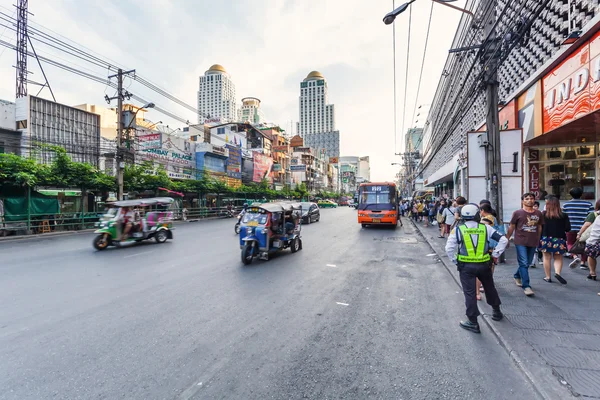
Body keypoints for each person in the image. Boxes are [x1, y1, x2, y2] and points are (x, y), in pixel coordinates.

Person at [445, 203, 508, 333]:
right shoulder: (486, 228)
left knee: (470, 293)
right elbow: (504, 240)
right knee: (490, 288)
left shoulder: (458, 230)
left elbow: (449, 248)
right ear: (477, 215)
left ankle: (473, 322)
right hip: (484, 265)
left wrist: (455, 260)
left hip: (466, 267)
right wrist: (495, 254)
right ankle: (496, 312)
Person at [506, 193, 544, 296]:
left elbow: (539, 227)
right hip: (520, 241)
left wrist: (539, 239)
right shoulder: (517, 213)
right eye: (527, 199)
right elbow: (512, 226)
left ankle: (517, 275)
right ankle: (526, 286)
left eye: (531, 198)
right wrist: (507, 239)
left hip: (533, 241)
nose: (529, 200)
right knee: (523, 262)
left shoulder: (538, 213)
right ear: (523, 201)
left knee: (527, 263)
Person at [538, 196, 571, 284]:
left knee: (546, 257)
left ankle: (548, 277)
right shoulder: (563, 215)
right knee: (558, 258)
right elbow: (568, 228)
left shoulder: (543, 214)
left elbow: (539, 227)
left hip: (546, 238)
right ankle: (557, 273)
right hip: (559, 239)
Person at [563, 187, 594, 269]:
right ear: (581, 194)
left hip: (570, 227)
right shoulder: (588, 204)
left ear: (570, 194)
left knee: (569, 243)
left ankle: (574, 256)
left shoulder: (566, 205)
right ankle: (583, 263)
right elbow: (591, 217)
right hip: (584, 229)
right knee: (584, 245)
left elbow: (563, 217)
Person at [575, 199, 600, 280]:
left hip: (597, 241)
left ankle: (592, 272)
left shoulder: (596, 216)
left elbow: (594, 231)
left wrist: (589, 242)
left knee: (591, 255)